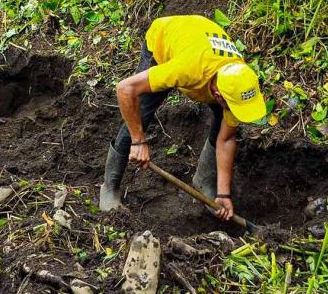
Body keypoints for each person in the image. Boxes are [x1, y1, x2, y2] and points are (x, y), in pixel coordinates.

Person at [99, 15, 267, 221]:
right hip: (165, 40)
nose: (234, 111)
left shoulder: (238, 84)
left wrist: (223, 194)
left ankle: (204, 181)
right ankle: (110, 186)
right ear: (218, 95)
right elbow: (125, 89)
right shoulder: (187, 69)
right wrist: (138, 140)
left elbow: (226, 139)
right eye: (231, 106)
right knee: (140, 114)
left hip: (199, 40)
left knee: (221, 119)